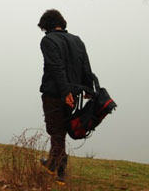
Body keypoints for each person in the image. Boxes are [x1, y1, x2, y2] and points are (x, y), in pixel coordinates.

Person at [37, 9, 93, 184]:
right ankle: (52, 162)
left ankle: (61, 169)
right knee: (60, 131)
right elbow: (86, 67)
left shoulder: (48, 40)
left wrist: (64, 92)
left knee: (56, 130)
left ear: (46, 25)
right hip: (74, 94)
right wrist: (88, 90)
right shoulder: (77, 40)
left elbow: (56, 67)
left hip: (55, 93)